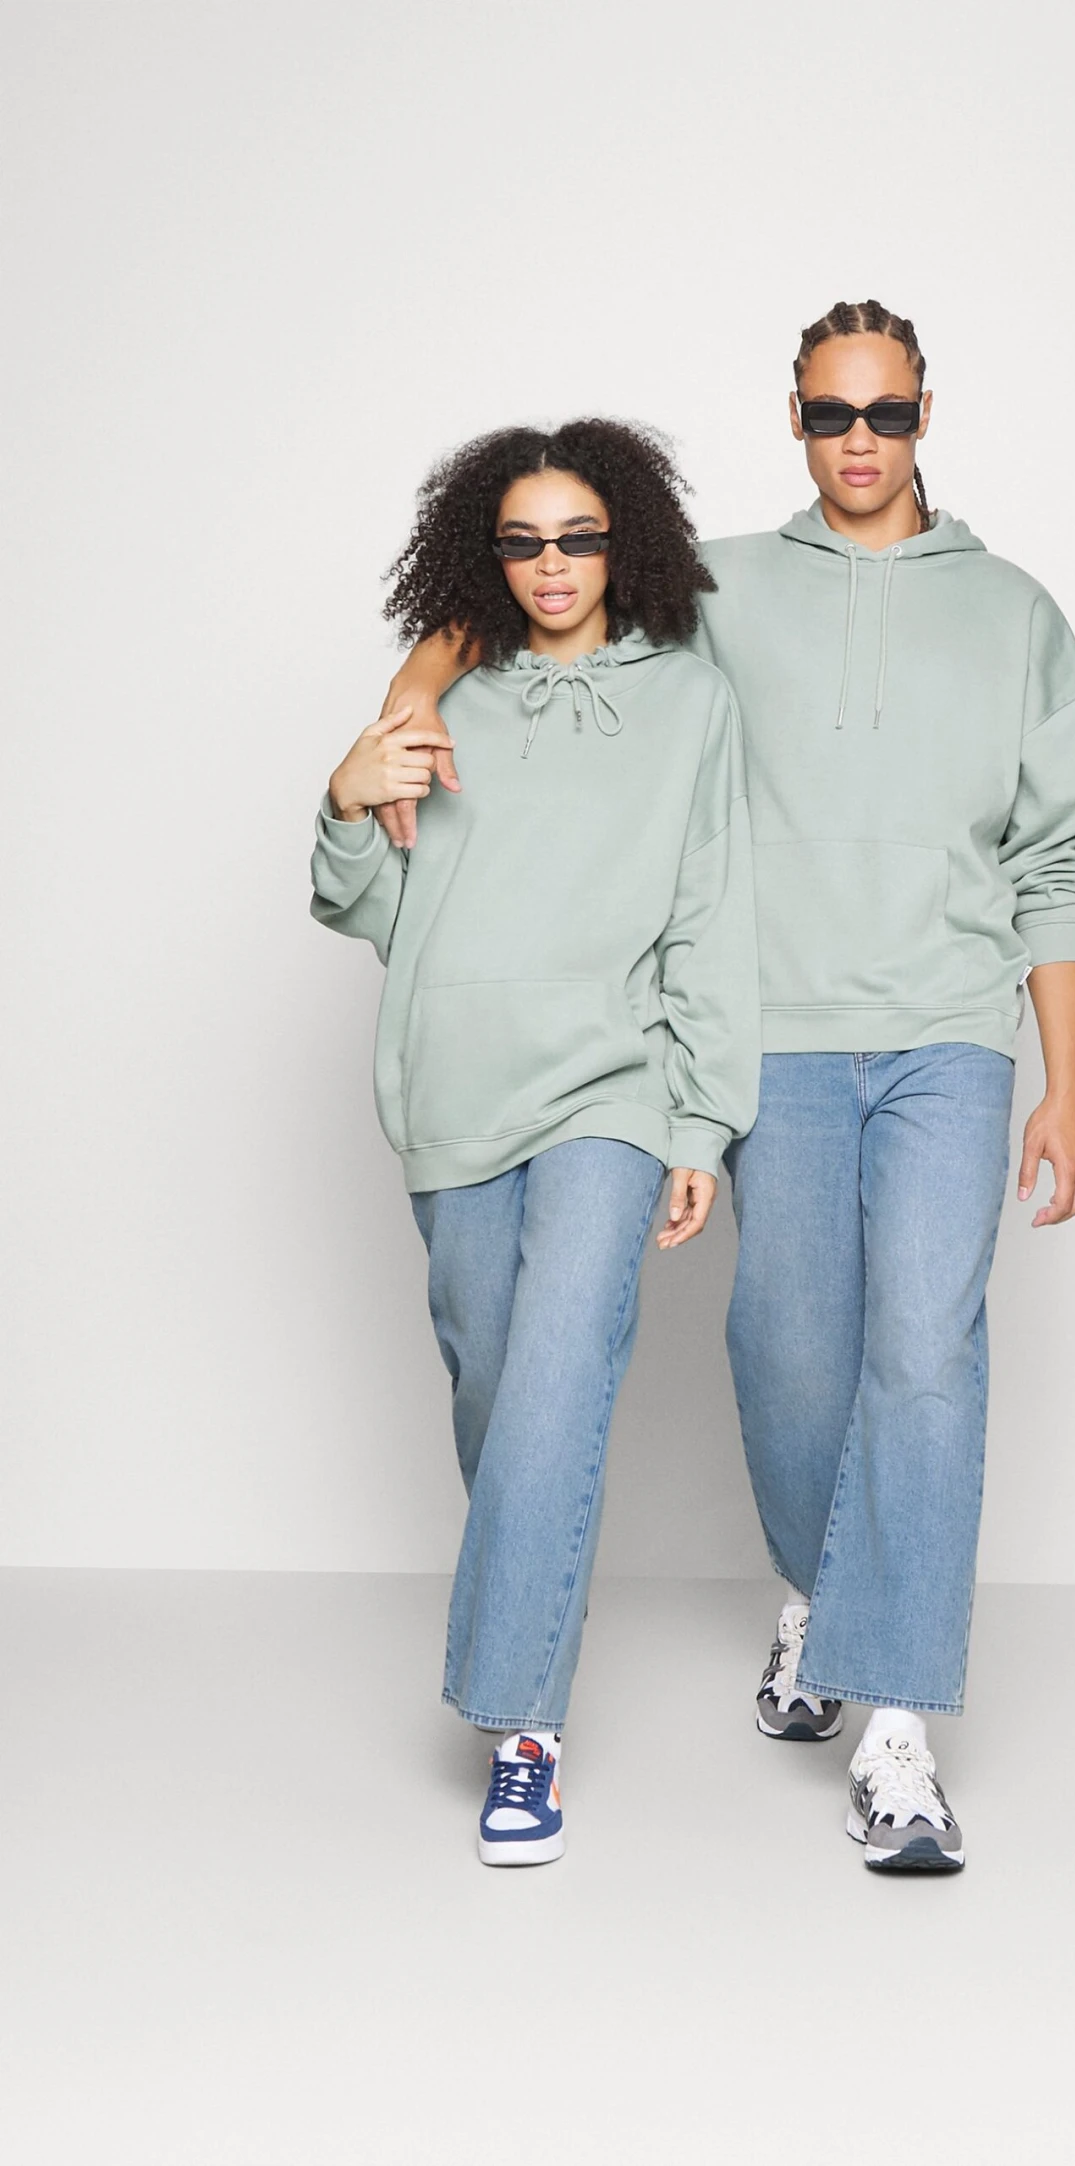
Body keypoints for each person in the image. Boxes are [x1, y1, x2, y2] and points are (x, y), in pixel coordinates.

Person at [376, 302, 1075, 1873]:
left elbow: (1056, 863)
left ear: (927, 416)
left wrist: (1067, 1080)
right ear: (795, 419)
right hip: (770, 1034)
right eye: (831, 414)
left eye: (887, 414)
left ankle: (897, 1731)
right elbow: (523, 609)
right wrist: (412, 697)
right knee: (786, 1351)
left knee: (925, 1347)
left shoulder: (1015, 614)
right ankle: (817, 1595)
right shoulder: (716, 593)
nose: (860, 442)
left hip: (950, 1030)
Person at [312, 418, 759, 1865]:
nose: (553, 565)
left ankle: (523, 1728)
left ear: (625, 541)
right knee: (500, 1388)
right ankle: (527, 1638)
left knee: (562, 1372)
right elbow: (373, 904)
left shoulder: (692, 702)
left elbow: (711, 916)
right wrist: (346, 795)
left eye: (578, 537)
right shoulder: (447, 702)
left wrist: (702, 1117)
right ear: (485, 556)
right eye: (522, 542)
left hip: (610, 1092)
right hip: (453, 1084)